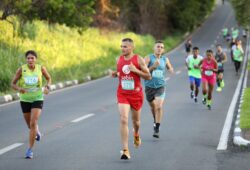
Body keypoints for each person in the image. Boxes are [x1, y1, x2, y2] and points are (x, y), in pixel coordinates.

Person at [111, 38, 151, 160]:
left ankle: (136, 134)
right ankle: (125, 150)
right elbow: (122, 72)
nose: (122, 48)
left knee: (136, 123)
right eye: (121, 46)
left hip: (136, 95)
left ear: (132, 48)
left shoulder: (138, 59)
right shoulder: (119, 59)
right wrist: (116, 74)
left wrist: (136, 70)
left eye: (125, 47)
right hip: (122, 93)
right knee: (123, 119)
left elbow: (148, 76)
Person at [11, 50, 51, 159]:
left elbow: (48, 79)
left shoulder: (41, 68)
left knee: (33, 123)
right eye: (28, 58)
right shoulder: (21, 70)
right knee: (30, 125)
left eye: (32, 58)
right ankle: (37, 132)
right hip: (24, 100)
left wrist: (47, 87)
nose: (30, 60)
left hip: (38, 98)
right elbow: (13, 84)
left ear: (35, 59)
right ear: (26, 60)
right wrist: (19, 88)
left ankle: (30, 150)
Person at [144, 40, 174, 138]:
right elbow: (143, 72)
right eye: (158, 46)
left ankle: (157, 127)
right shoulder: (148, 58)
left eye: (161, 47)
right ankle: (155, 120)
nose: (159, 48)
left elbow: (170, 68)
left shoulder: (165, 59)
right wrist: (153, 67)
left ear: (163, 49)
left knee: (159, 106)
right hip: (149, 87)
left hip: (160, 86)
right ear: (154, 48)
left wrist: (170, 70)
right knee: (153, 107)